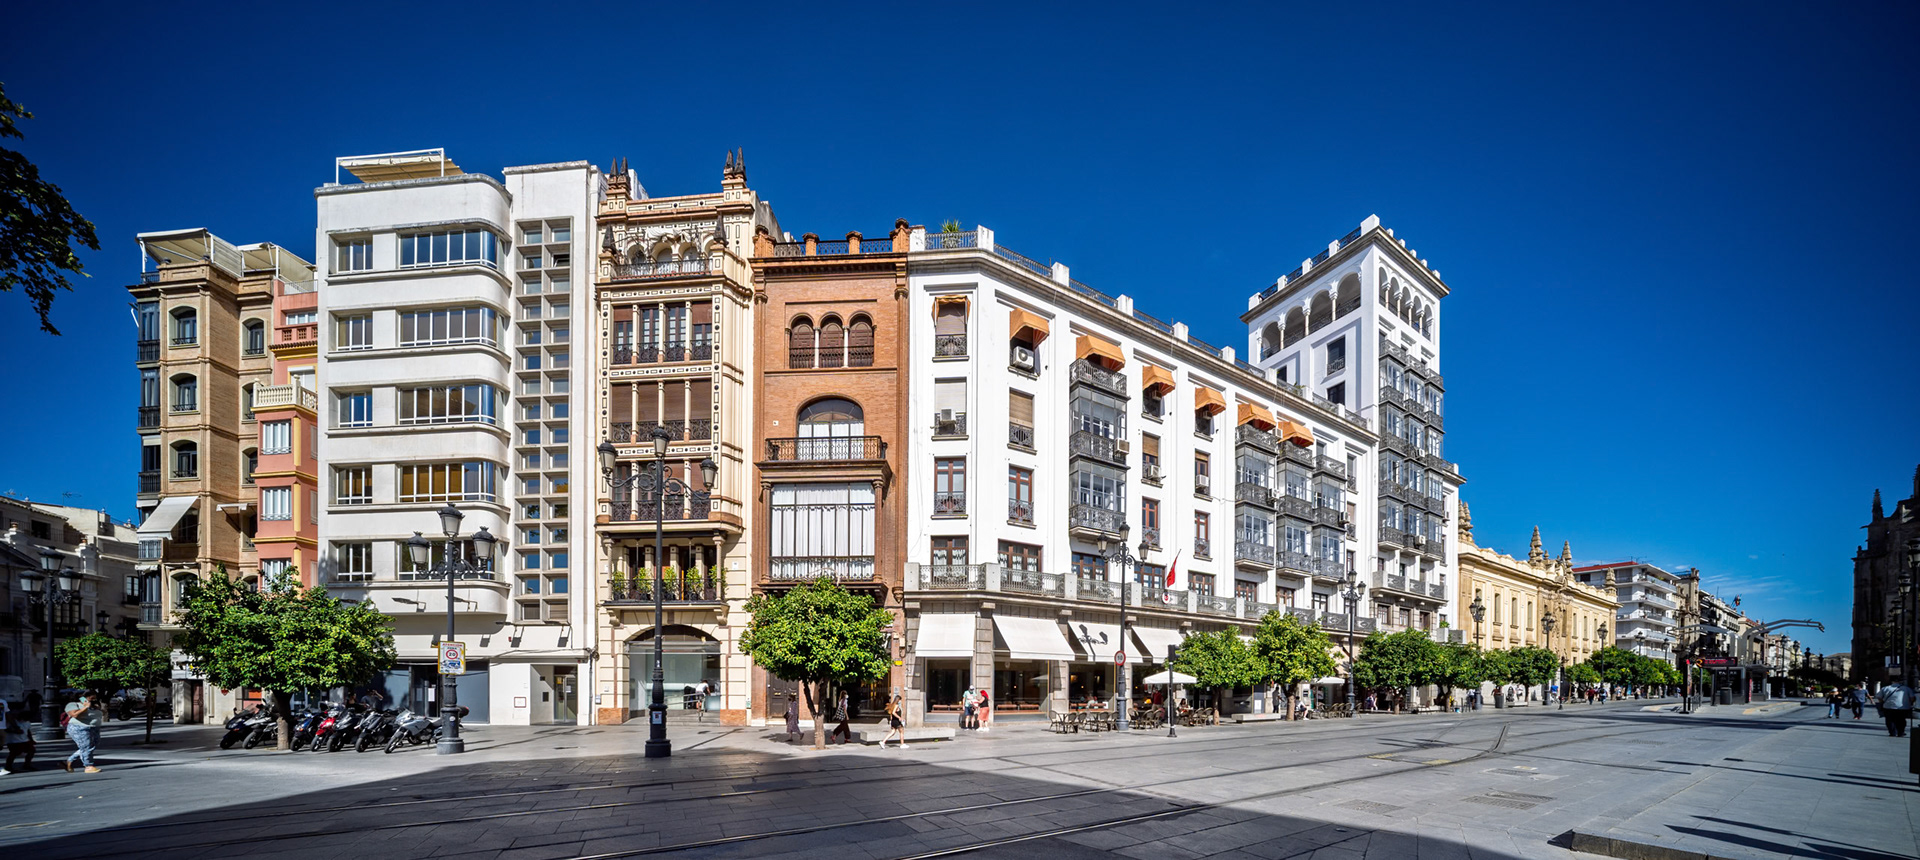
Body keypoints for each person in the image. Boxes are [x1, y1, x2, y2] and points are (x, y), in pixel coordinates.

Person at [64, 693, 104, 774]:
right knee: (86, 746)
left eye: (94, 698)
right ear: (82, 698)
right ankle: (88, 766)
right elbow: (75, 715)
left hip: (94, 728)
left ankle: (69, 761)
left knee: (92, 745)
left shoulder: (94, 706)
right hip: (79, 728)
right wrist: (85, 706)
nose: (93, 700)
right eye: (90, 698)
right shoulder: (73, 704)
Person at [4, 703, 35, 773]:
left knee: (31, 751)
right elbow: (6, 729)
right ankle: (8, 766)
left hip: (25, 740)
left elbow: (28, 731)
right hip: (14, 741)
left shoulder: (27, 722)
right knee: (13, 754)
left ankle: (27, 765)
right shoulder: (13, 722)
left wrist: (31, 739)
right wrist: (14, 731)